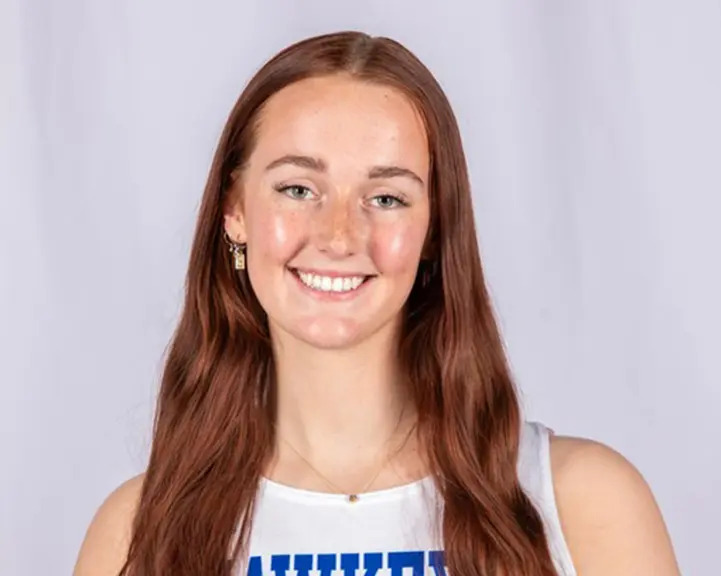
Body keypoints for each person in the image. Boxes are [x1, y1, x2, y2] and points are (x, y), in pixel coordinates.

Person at [74, 31, 680, 576]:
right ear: (234, 211)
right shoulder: (139, 533)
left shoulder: (579, 502)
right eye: (297, 188)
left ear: (434, 228)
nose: (339, 236)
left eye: (387, 198)